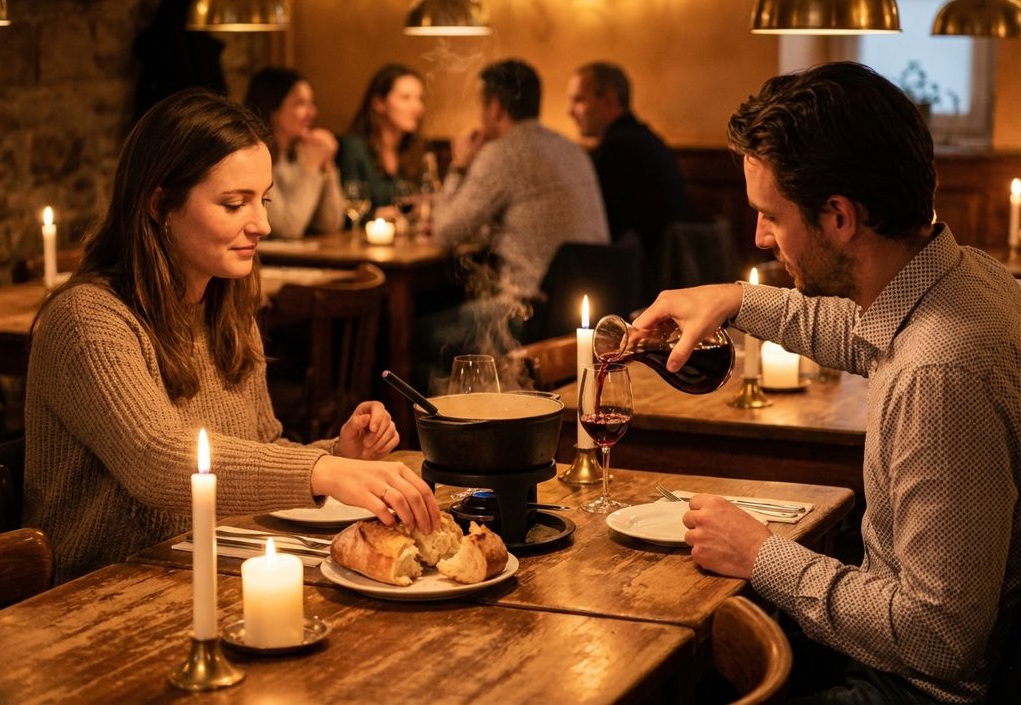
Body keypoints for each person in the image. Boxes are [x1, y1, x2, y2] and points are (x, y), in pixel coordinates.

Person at [635, 62, 1020, 703]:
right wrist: (733, 299)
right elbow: (860, 332)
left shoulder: (940, 375)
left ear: (839, 217)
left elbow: (942, 638)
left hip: (917, 688)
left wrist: (761, 555)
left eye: (771, 216)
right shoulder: (963, 278)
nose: (760, 239)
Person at [24, 89, 440, 584]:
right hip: (99, 597)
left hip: (204, 578)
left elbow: (259, 446)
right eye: (233, 203)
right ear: (160, 205)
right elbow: (158, 459)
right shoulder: (87, 319)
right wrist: (324, 473)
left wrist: (339, 454)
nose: (262, 223)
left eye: (262, 200)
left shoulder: (226, 307)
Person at [425, 59, 609, 375]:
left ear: (495, 108)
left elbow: (444, 231)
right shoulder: (570, 148)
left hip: (528, 313)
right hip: (583, 308)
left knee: (425, 335)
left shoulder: (502, 153)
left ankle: (426, 420)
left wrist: (458, 166)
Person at [566, 62, 687, 264]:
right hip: (667, 271)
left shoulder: (616, 151)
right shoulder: (648, 140)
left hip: (642, 279)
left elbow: (592, 229)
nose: (569, 111)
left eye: (579, 100)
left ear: (609, 100)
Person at [244, 67, 345, 239]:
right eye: (300, 103)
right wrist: (311, 168)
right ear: (273, 109)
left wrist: (327, 168)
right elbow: (287, 229)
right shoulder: (252, 157)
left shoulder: (299, 153)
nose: (312, 112)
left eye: (311, 103)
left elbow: (330, 224)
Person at [338, 64, 426, 214]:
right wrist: (378, 215)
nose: (417, 107)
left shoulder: (416, 148)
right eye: (406, 98)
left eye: (419, 98)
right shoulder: (354, 148)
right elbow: (345, 211)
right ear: (379, 103)